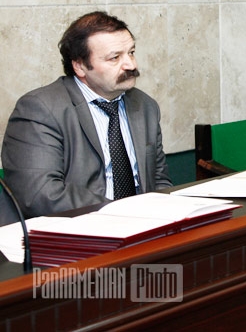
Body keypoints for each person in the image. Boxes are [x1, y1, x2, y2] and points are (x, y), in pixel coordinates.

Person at [1, 11, 171, 221]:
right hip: (74, 232)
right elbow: (40, 195)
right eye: (115, 57)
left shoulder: (145, 106)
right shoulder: (39, 109)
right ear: (80, 65)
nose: (131, 65)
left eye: (132, 52)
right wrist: (123, 216)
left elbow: (158, 179)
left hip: (143, 229)